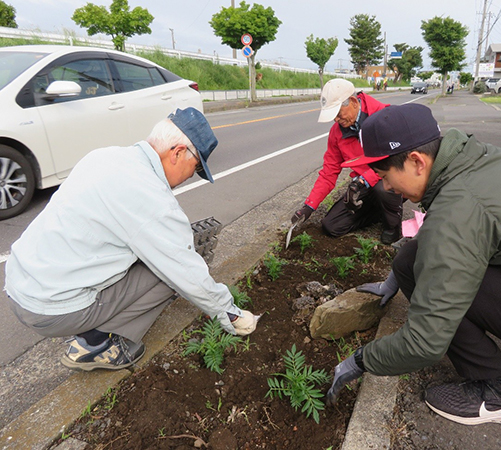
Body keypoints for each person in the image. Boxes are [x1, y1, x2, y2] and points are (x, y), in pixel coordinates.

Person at [326, 104, 501, 425]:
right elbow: (452, 232)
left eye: (386, 176)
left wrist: (359, 361)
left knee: (431, 275)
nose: (386, 188)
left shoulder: (459, 208)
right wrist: (392, 282)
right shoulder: (475, 159)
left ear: (416, 161)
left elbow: (425, 342)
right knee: (416, 259)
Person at [4, 107, 259, 372]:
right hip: (49, 309)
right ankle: (99, 345)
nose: (188, 178)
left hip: (20, 284)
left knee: (150, 257)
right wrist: (229, 313)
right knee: (168, 274)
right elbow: (185, 270)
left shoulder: (104, 156)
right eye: (195, 168)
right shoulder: (152, 198)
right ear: (178, 153)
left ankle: (94, 332)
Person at [291, 78, 404, 244]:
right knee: (331, 225)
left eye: (337, 113)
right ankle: (380, 211)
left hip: (389, 178)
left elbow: (394, 157)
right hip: (362, 184)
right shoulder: (336, 133)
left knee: (383, 189)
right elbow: (329, 172)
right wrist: (309, 206)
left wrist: (362, 180)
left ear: (352, 101)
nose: (336, 120)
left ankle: (393, 227)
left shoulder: (382, 116)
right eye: (333, 116)